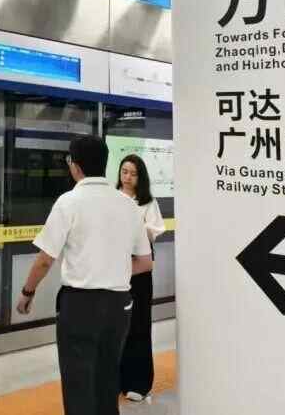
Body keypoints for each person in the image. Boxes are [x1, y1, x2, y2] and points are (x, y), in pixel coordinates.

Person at [16, 135, 153, 415]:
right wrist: (113, 269)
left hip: (79, 305)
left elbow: (45, 260)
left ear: (75, 165)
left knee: (78, 383)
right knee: (108, 379)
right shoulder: (128, 205)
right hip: (119, 306)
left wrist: (27, 292)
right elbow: (145, 261)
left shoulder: (69, 202)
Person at [116, 154, 166, 404]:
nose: (127, 177)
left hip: (140, 266)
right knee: (116, 325)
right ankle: (118, 379)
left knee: (139, 323)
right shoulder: (112, 197)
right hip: (116, 265)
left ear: (141, 177)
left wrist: (138, 226)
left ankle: (139, 382)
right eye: (124, 171)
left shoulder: (147, 202)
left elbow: (156, 230)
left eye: (133, 173)